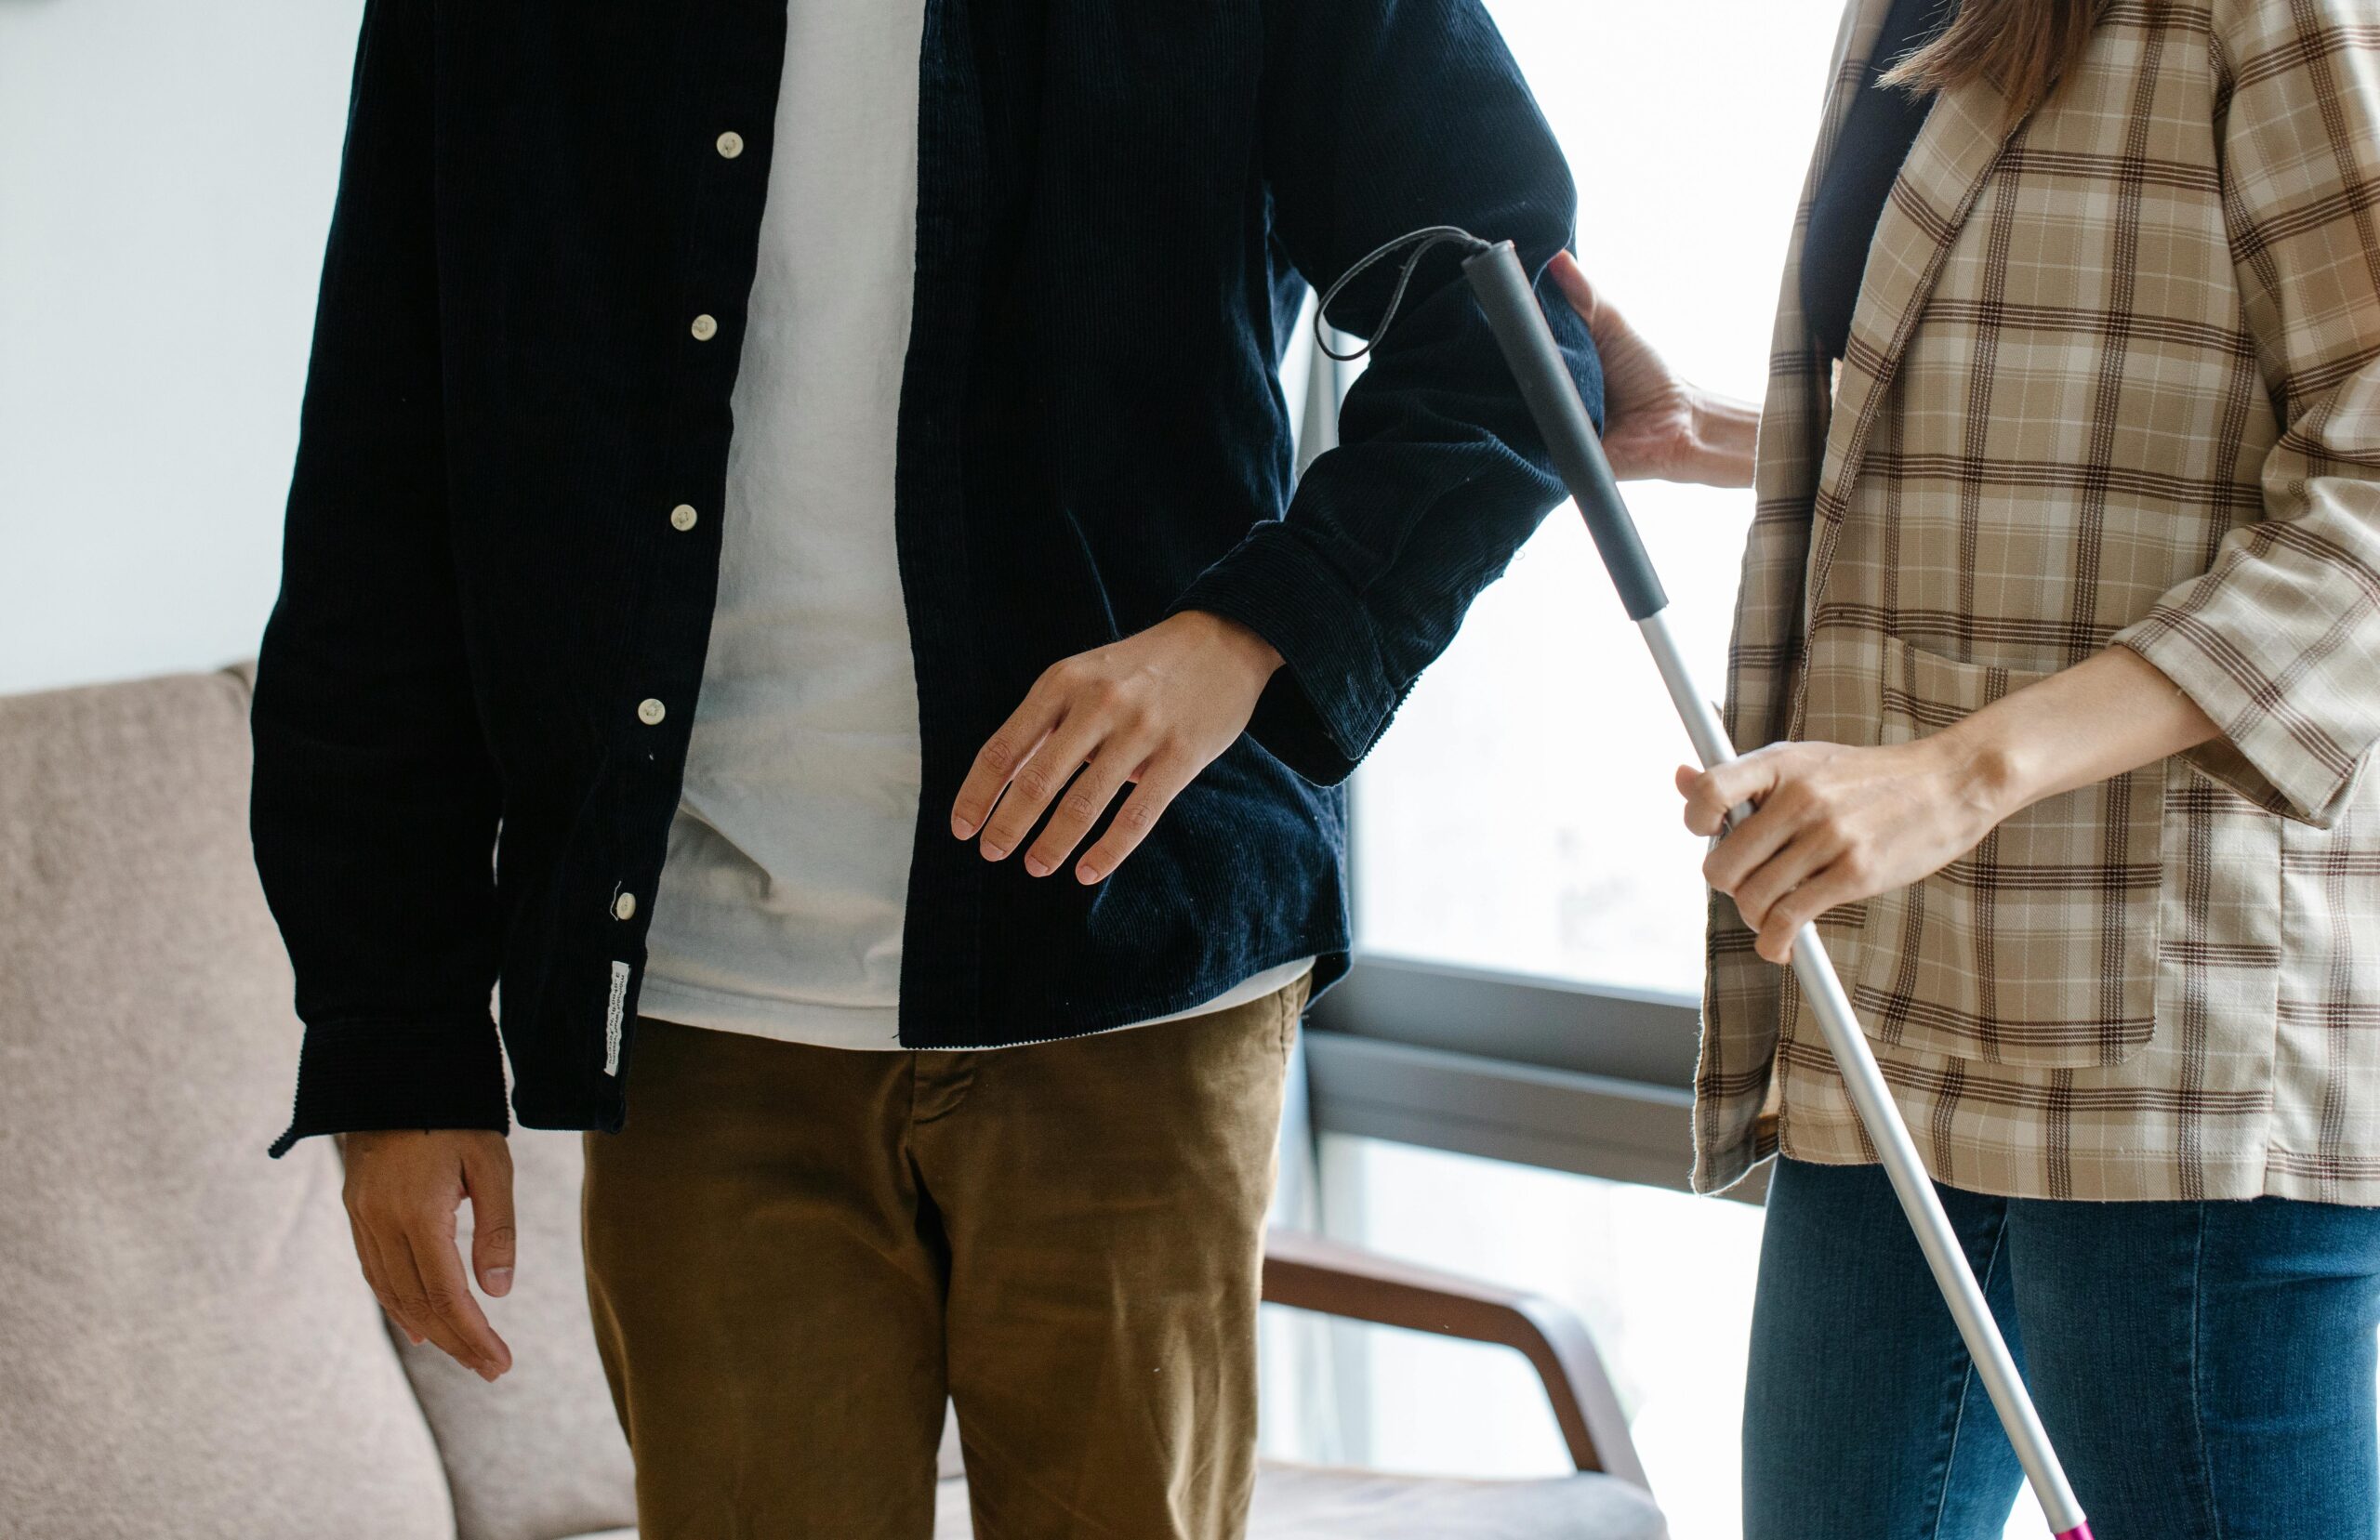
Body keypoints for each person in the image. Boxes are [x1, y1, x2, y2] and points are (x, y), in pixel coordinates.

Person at [248, 1, 1605, 1536]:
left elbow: (1513, 333)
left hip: (1134, 985)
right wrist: (390, 1046)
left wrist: (1246, 636)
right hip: (702, 1016)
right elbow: (380, 489)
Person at [1563, 0, 2380, 1532]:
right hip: (1903, 1003)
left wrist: (1956, 775)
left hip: (2179, 1048)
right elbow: (2081, 416)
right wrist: (1715, 433)